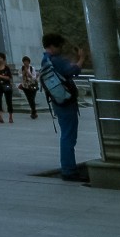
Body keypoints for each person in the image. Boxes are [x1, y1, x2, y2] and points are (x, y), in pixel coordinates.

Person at [39, 32, 86, 182]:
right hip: (66, 101)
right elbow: (73, 71)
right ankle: (69, 170)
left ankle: (68, 168)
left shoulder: (45, 60)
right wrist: (82, 58)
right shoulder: (56, 60)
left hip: (57, 100)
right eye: (59, 46)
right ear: (52, 46)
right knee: (68, 136)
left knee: (66, 133)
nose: (61, 48)